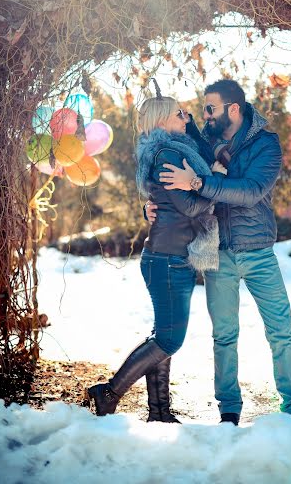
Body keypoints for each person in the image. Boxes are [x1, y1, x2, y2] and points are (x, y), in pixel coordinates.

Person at [147, 79, 291, 425]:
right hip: (217, 252)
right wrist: (151, 205)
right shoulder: (205, 141)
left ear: (233, 108)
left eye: (210, 108)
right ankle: (228, 409)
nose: (204, 114)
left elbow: (251, 191)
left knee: (281, 330)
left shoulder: (266, 144)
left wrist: (201, 183)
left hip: (259, 250)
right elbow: (167, 176)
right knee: (224, 335)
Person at [86, 93, 222, 420]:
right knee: (169, 340)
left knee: (164, 334)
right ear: (162, 120)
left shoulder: (171, 151)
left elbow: (164, 200)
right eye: (178, 113)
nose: (185, 116)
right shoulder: (167, 155)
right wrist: (214, 181)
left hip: (170, 256)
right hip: (167, 259)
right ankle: (109, 393)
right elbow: (189, 206)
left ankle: (159, 411)